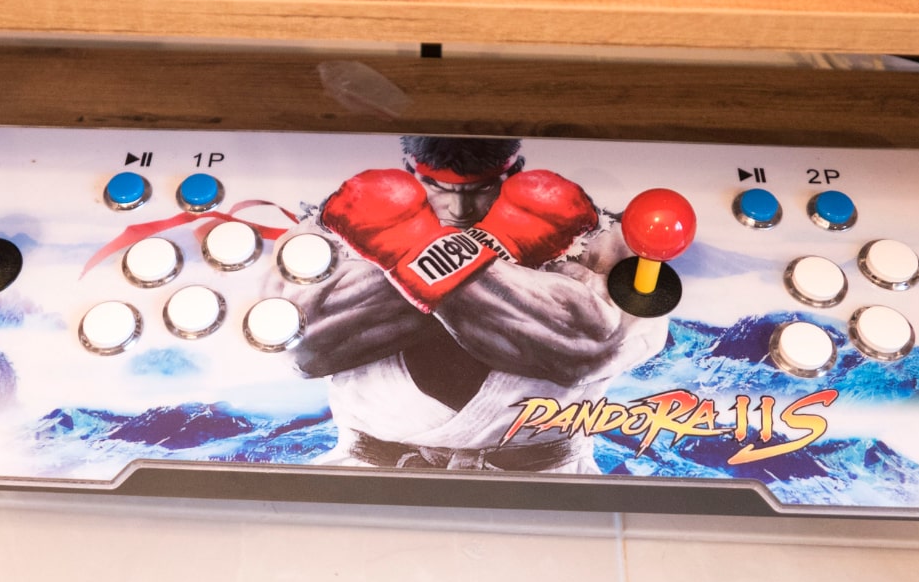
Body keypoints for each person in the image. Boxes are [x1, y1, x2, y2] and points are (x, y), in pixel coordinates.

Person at [260, 135, 668, 473]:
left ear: (517, 171)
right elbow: (301, 350)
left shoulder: (594, 232)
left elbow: (595, 349)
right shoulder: (331, 229)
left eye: (483, 188)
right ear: (408, 173)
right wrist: (482, 252)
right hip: (369, 471)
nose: (460, 209)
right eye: (437, 186)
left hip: (547, 478)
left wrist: (416, 252)